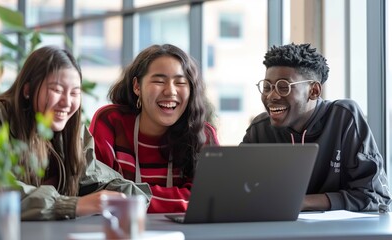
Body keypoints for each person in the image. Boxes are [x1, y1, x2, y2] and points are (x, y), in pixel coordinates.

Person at [0, 46, 151, 220]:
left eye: (74, 93)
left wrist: (131, 197)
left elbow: (95, 177)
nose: (66, 102)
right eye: (57, 90)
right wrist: (71, 205)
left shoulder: (71, 130)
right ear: (28, 90)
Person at [241, 43, 391, 212]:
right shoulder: (260, 129)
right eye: (267, 87)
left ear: (313, 90)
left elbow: (376, 197)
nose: (272, 96)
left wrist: (301, 202)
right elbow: (236, 192)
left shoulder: (343, 117)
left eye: (283, 87)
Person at [89, 44, 219, 213]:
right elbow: (97, 189)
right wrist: (178, 199)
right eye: (159, 81)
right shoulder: (110, 122)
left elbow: (208, 198)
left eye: (180, 82)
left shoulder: (203, 134)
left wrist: (130, 197)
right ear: (137, 86)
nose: (170, 91)